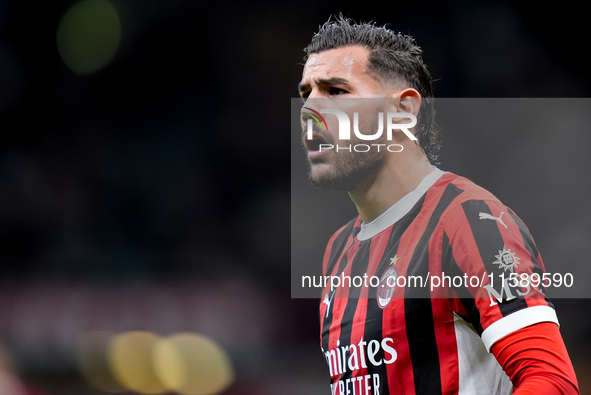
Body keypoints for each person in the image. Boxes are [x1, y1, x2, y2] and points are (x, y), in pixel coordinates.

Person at [297, 16, 579, 395]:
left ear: (403, 111)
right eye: (306, 94)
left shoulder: (467, 219)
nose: (310, 110)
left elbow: (552, 381)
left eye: (335, 90)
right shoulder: (338, 250)